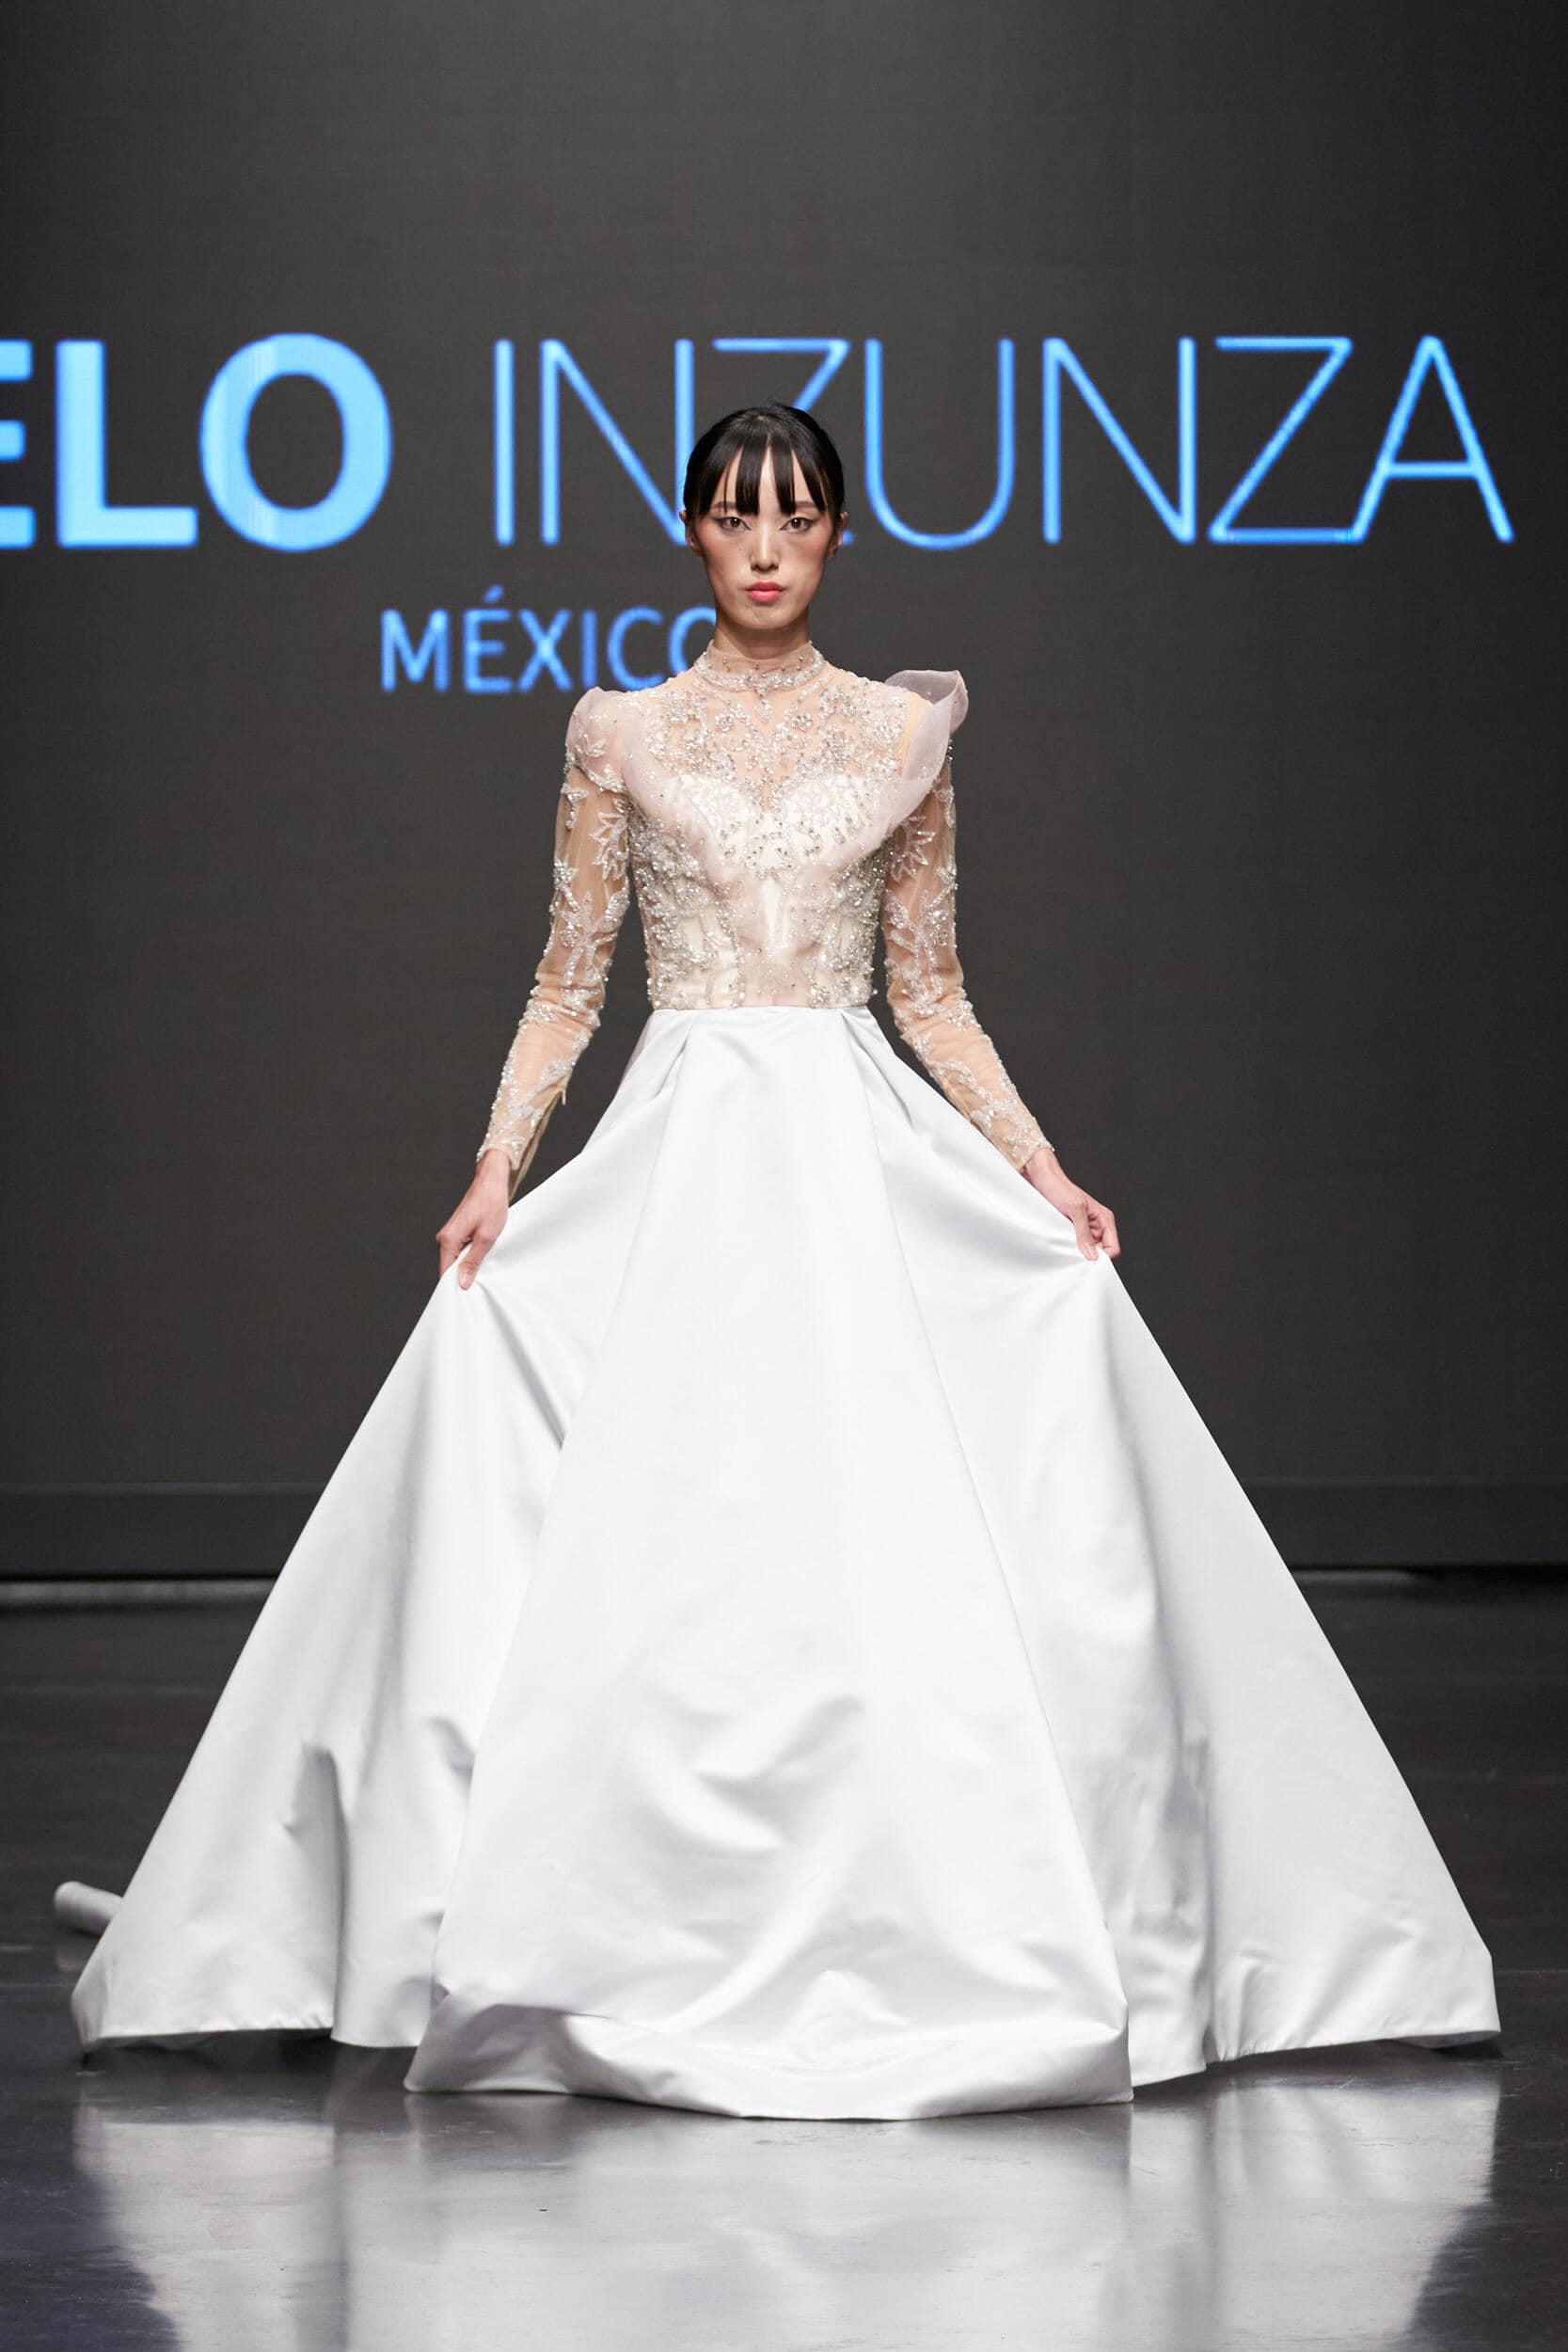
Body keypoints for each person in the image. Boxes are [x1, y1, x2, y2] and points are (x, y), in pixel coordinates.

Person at [64, 405, 1499, 2121]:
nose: (764, 548)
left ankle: (944, 1907)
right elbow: (568, 981)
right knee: (622, 1476)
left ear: (836, 536)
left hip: (851, 1144)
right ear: (691, 528)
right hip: (679, 1148)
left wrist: (1042, 1170)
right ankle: (547, 1907)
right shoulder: (620, 731)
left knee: (897, 1499)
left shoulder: (901, 734)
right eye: (737, 515)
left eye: (797, 516)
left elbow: (933, 992)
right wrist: (499, 1166)